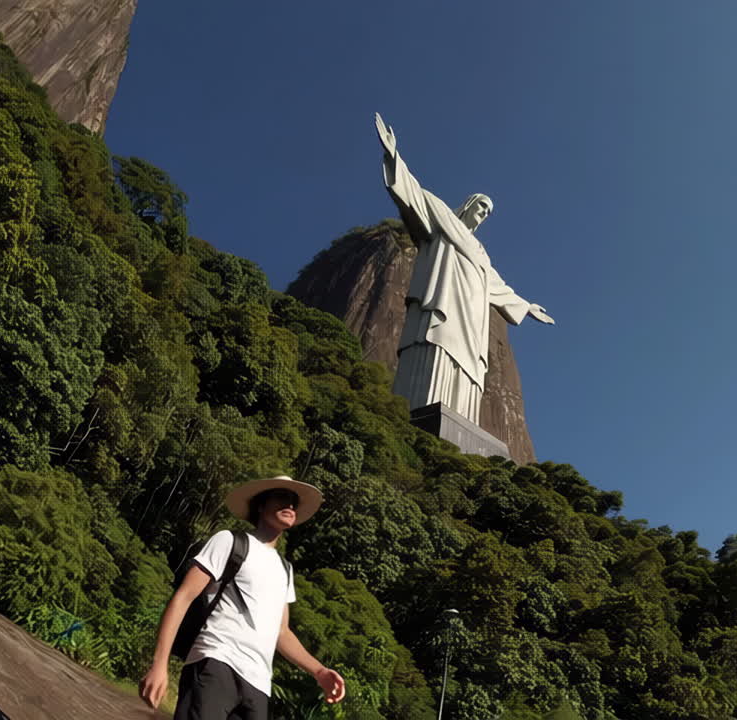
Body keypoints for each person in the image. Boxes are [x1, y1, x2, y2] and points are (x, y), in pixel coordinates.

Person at [375, 112, 555, 424]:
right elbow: (413, 195)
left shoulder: (481, 255)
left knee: (467, 370)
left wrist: (526, 307)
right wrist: (393, 156)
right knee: (434, 349)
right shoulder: (442, 220)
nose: (484, 212)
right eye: (482, 205)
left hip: (469, 322)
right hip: (444, 306)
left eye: (488, 211)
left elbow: (498, 288)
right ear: (469, 205)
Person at [139, 476, 346, 718]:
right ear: (260, 505)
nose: (290, 506)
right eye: (281, 498)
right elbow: (183, 597)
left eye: (293, 502)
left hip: (258, 684)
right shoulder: (230, 542)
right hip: (216, 662)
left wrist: (319, 671)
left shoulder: (285, 569)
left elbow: (282, 632)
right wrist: (159, 664)